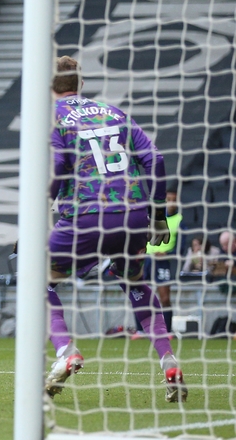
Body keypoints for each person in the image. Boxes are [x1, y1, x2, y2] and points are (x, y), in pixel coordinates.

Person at [44, 56, 186, 402]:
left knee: (38, 280)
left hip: (86, 216)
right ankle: (170, 363)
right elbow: (156, 158)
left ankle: (66, 352)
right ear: (81, 84)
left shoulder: (54, 117)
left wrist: (39, 210)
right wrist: (157, 215)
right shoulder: (113, 112)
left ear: (52, 88)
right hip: (134, 216)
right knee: (134, 282)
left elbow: (60, 165)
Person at [132, 189, 183, 338]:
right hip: (146, 259)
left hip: (163, 262)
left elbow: (181, 245)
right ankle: (140, 330)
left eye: (174, 200)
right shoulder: (151, 217)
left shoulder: (179, 220)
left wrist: (168, 254)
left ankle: (167, 331)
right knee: (139, 294)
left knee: (165, 297)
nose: (171, 203)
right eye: (169, 199)